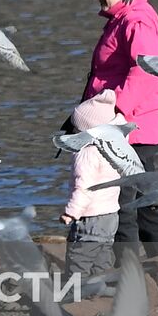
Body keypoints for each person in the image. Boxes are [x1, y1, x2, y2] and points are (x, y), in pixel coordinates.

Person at [84, 0, 158, 259]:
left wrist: (116, 114)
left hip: (132, 131)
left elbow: (146, 72)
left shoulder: (136, 20)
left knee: (125, 208)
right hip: (126, 128)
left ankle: (131, 278)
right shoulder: (121, 19)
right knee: (145, 208)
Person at [61, 90, 124, 279]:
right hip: (111, 214)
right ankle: (102, 296)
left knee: (78, 258)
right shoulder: (117, 144)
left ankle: (74, 298)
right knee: (102, 258)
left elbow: (84, 187)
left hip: (91, 217)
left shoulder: (87, 153)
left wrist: (71, 212)